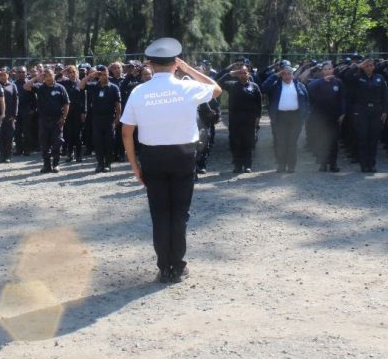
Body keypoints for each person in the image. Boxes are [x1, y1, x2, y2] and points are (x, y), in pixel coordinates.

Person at [120, 38, 222, 284]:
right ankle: (177, 265)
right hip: (182, 155)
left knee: (160, 213)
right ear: (175, 63)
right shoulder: (187, 88)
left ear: (151, 65)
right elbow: (216, 88)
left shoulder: (138, 91)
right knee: (179, 213)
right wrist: (187, 69)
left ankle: (164, 267)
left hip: (152, 157)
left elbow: (126, 131)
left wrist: (135, 166)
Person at [262, 63, 309, 173]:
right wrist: (276, 75)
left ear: (293, 74)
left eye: (289, 74)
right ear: (281, 75)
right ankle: (281, 165)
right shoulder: (275, 85)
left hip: (295, 117)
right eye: (284, 74)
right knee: (281, 142)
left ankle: (291, 166)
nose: (287, 76)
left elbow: (306, 102)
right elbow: (263, 88)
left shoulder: (300, 85)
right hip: (280, 117)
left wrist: (304, 116)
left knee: (292, 142)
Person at [347, 58, 388, 173]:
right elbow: (347, 76)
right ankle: (363, 164)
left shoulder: (379, 78)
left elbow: (385, 96)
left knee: (373, 138)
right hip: (362, 110)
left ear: (374, 67)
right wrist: (358, 66)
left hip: (376, 111)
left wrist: (385, 111)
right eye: (367, 66)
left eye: (371, 65)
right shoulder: (357, 77)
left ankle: (372, 164)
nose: (369, 67)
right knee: (363, 138)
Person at [24, 68, 69, 173]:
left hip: (57, 120)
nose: (48, 77)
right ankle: (46, 165)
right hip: (44, 120)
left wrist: (64, 117)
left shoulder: (60, 88)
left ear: (54, 75)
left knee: (57, 142)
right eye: (46, 75)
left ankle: (56, 164)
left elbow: (66, 104)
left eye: (50, 74)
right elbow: (26, 86)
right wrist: (36, 77)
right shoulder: (40, 87)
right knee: (44, 144)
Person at [220, 63, 263, 173]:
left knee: (248, 142)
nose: (243, 74)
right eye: (241, 73)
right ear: (238, 75)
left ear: (249, 74)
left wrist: (258, 118)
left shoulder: (254, 86)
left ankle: (247, 165)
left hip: (250, 119)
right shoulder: (232, 85)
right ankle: (237, 165)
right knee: (235, 142)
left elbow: (259, 104)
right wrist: (231, 73)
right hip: (235, 119)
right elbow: (218, 83)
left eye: (245, 72)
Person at [305, 62, 344, 172]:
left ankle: (333, 164)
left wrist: (342, 113)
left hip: (334, 117)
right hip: (320, 117)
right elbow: (309, 87)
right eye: (325, 69)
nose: (328, 71)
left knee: (334, 141)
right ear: (322, 71)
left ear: (333, 70)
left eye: (330, 69)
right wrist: (322, 81)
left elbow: (342, 99)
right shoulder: (317, 83)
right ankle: (323, 164)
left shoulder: (338, 83)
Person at [82, 66, 121, 172]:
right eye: (101, 74)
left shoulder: (113, 87)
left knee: (109, 142)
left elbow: (118, 105)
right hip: (97, 119)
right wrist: (91, 76)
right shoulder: (94, 86)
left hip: (109, 119)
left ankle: (107, 163)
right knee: (98, 143)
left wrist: (117, 118)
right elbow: (81, 86)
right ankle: (100, 163)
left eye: (105, 73)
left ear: (108, 73)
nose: (103, 76)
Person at [59, 65, 84, 162]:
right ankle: (70, 154)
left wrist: (84, 112)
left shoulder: (81, 83)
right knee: (68, 134)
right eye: (70, 72)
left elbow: (83, 98)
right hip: (67, 112)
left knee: (77, 134)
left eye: (74, 72)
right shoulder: (64, 83)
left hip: (78, 112)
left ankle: (78, 154)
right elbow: (55, 79)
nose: (72, 74)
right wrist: (62, 72)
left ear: (77, 72)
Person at [0, 68, 19, 164]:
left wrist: (14, 114)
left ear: (8, 75)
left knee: (9, 137)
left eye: (4, 74)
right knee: (0, 136)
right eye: (0, 75)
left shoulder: (12, 86)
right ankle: (1, 155)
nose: (2, 76)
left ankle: (7, 155)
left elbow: (16, 100)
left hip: (10, 115)